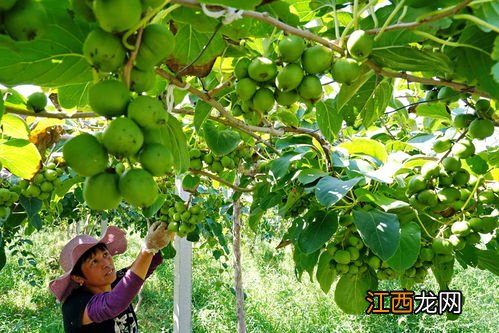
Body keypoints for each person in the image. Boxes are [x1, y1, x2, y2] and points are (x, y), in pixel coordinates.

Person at [49, 222, 174, 333]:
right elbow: (112, 304)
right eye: (94, 262)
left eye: (105, 254)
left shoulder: (115, 282)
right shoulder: (75, 305)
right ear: (78, 278)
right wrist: (148, 248)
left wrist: (164, 231)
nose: (106, 263)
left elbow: (150, 262)